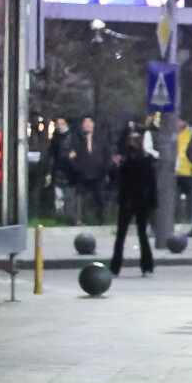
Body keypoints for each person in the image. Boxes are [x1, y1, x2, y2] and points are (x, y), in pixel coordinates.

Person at [108, 121, 157, 276]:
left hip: (129, 201)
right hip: (140, 201)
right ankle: (147, 265)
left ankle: (116, 266)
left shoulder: (126, 162)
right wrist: (152, 201)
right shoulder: (146, 160)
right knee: (141, 234)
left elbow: (116, 179)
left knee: (122, 235)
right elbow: (151, 184)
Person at [63, 116, 111, 225]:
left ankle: (100, 219)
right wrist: (77, 168)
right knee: (80, 197)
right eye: (85, 123)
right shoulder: (77, 140)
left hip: (98, 175)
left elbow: (107, 156)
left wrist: (104, 169)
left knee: (99, 196)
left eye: (89, 122)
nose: (87, 125)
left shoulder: (100, 139)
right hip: (82, 175)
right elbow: (70, 156)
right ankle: (80, 219)